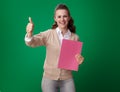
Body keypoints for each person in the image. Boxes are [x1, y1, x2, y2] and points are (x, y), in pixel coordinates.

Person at [25, 4, 84, 92]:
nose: (62, 19)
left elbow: (74, 60)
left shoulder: (75, 38)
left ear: (69, 18)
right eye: (59, 16)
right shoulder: (49, 34)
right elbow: (32, 42)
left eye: (65, 16)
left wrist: (79, 60)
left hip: (67, 79)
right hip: (49, 79)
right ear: (55, 18)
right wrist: (29, 34)